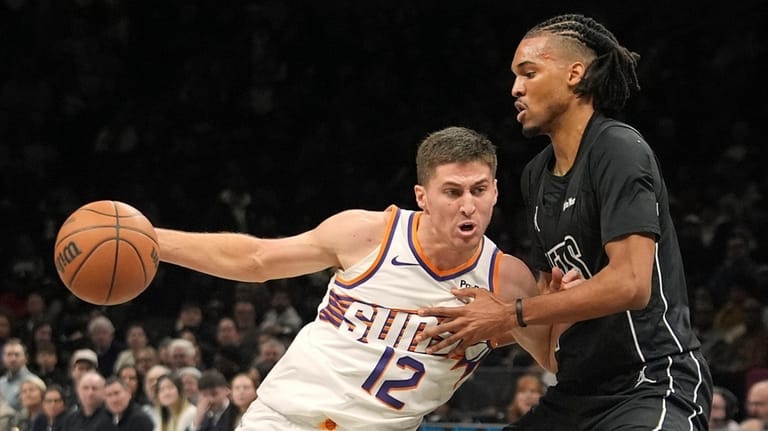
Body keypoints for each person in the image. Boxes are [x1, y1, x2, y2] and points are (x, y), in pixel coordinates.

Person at [152, 126, 568, 430]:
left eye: (479, 190)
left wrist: (556, 305)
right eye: (453, 192)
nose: (468, 206)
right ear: (422, 196)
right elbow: (257, 259)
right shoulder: (367, 234)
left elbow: (552, 357)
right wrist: (152, 240)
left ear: (496, 191)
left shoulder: (507, 281)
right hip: (285, 420)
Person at [416, 14, 713, 430]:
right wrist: (474, 330)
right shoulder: (536, 175)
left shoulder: (618, 148)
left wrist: (509, 313)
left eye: (529, 73)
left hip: (650, 380)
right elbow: (547, 333)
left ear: (576, 74)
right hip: (575, 388)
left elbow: (631, 283)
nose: (515, 88)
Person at [0, 338, 39, 411]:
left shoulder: (34, 383)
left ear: (26, 358)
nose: (13, 359)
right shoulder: (1, 382)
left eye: (17, 355)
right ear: (3, 358)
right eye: (9, 355)